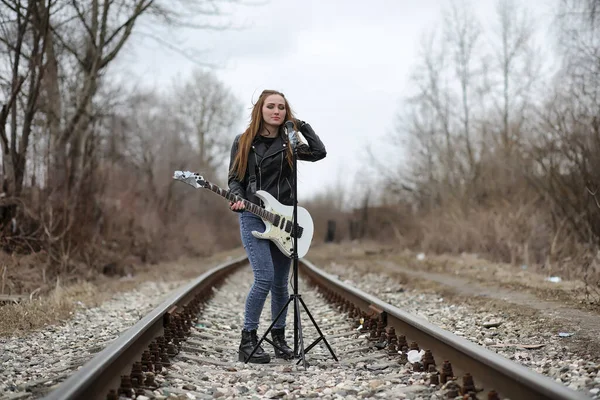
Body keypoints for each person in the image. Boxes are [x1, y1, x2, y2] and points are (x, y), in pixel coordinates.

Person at [227, 89, 327, 363]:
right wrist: (236, 198)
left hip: (286, 220)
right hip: (253, 215)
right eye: (270, 106)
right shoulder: (243, 141)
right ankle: (247, 340)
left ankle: (279, 340)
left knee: (281, 283)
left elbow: (319, 152)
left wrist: (300, 126)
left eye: (281, 107)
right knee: (264, 277)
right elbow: (235, 178)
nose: (276, 111)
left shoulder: (290, 143)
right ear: (260, 109)